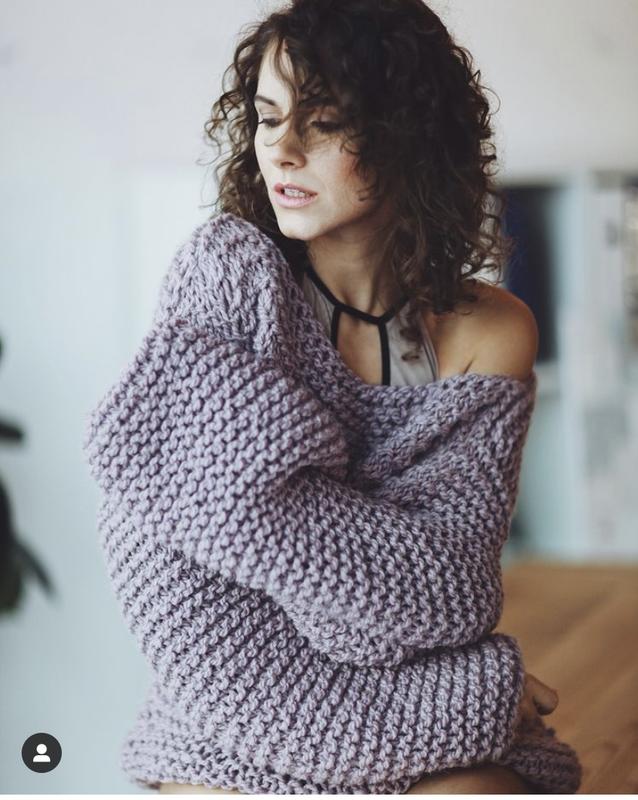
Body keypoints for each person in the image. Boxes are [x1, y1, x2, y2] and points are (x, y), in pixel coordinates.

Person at [159, 0, 559, 793]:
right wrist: (468, 700)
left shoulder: (492, 332)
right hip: (231, 708)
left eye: (326, 121)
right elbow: (187, 600)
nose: (282, 148)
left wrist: (281, 534)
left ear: (409, 135)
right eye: (266, 117)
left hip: (423, 695)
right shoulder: (226, 284)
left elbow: (450, 587)